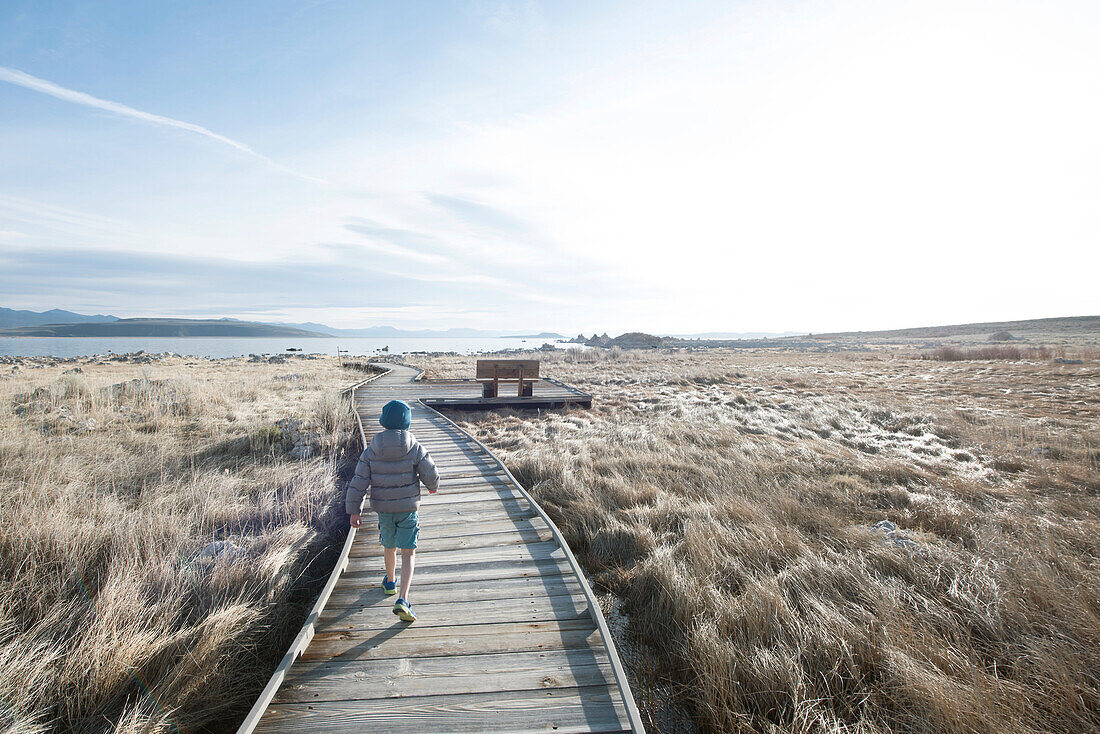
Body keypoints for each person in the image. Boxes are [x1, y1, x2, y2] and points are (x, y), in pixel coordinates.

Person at [346, 399, 439, 622]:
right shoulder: (415, 447)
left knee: (389, 545)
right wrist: (432, 487)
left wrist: (354, 510)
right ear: (407, 423)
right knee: (409, 551)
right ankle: (403, 599)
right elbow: (431, 474)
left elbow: (359, 481)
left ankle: (389, 581)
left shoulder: (371, 450)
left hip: (384, 509)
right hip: (408, 509)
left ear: (383, 423)